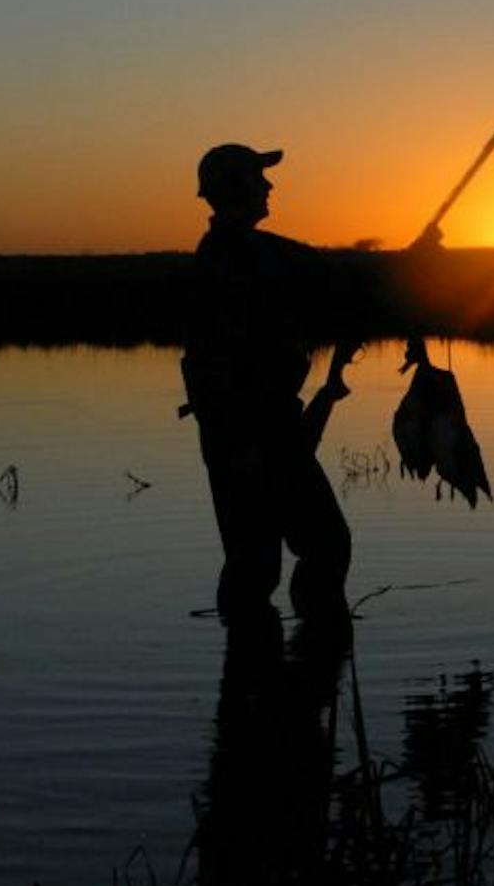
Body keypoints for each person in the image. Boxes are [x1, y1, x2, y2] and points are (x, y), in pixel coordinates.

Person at [181, 143, 436, 629]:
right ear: (235, 187)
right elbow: (209, 365)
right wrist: (239, 446)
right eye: (258, 176)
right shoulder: (224, 263)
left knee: (294, 552)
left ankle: (297, 653)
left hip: (271, 430)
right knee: (272, 560)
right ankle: (296, 650)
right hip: (248, 436)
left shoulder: (260, 250)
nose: (269, 185)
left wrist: (411, 260)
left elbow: (337, 276)